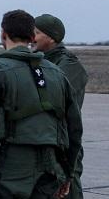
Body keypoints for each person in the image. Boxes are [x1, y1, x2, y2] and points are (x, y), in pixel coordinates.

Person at [0, 10, 82, 199]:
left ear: (3, 34)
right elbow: (74, 128)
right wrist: (68, 173)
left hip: (11, 167)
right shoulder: (57, 73)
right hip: (51, 168)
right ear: (32, 37)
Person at [34, 14, 88, 199]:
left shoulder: (69, 64)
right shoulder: (39, 61)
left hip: (64, 146)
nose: (31, 37)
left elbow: (54, 100)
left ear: (51, 37)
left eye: (37, 32)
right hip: (45, 143)